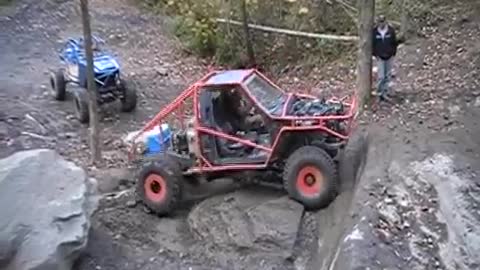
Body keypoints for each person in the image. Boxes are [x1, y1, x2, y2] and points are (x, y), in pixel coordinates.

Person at [372, 15, 399, 101]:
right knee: (381, 76)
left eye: (383, 21)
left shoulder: (391, 31)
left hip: (389, 56)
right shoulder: (374, 32)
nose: (381, 23)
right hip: (380, 57)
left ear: (385, 21)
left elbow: (394, 43)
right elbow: (373, 44)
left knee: (388, 76)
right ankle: (379, 93)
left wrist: (393, 53)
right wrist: (375, 54)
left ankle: (386, 93)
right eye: (380, 21)